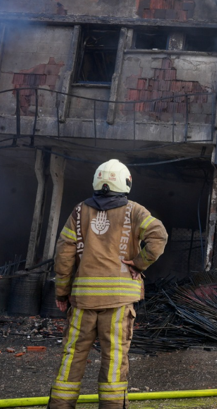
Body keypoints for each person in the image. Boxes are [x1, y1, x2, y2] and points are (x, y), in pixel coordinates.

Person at [48, 159, 168, 409]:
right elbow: (158, 237)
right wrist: (138, 263)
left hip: (83, 302)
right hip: (119, 303)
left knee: (73, 355)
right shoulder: (136, 211)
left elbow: (64, 254)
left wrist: (62, 292)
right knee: (114, 358)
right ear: (125, 183)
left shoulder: (79, 212)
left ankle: (60, 405)